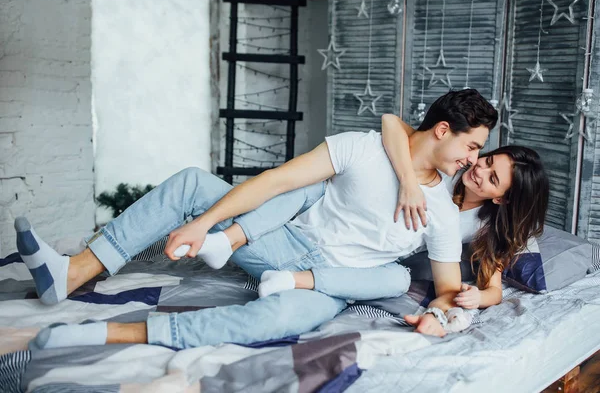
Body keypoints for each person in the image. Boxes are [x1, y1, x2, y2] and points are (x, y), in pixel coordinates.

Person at [18, 89, 496, 351]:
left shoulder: (441, 209)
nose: (473, 161)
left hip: (325, 284)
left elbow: (447, 285)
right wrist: (204, 222)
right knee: (191, 182)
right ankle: (74, 271)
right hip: (281, 242)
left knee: (280, 319)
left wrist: (440, 314)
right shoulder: (365, 147)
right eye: (473, 146)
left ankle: (116, 331)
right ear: (442, 131)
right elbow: (276, 183)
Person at [250, 114, 549, 314]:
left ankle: (296, 278)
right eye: (488, 161)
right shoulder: (449, 166)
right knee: (311, 187)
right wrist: (408, 181)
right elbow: (391, 122)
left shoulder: (483, 227)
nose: (479, 170)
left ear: (501, 200)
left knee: (396, 280)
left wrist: (479, 298)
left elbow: (494, 290)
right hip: (352, 216)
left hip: (381, 250)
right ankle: (249, 227)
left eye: (492, 179)